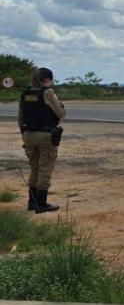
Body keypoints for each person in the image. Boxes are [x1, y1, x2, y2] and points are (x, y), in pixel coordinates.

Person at [18, 67, 65, 213]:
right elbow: (61, 113)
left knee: (35, 168)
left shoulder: (25, 94)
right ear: (46, 79)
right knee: (45, 168)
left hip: (28, 135)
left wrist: (24, 136)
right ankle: (41, 204)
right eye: (50, 79)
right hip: (46, 136)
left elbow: (20, 118)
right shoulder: (48, 92)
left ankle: (32, 202)